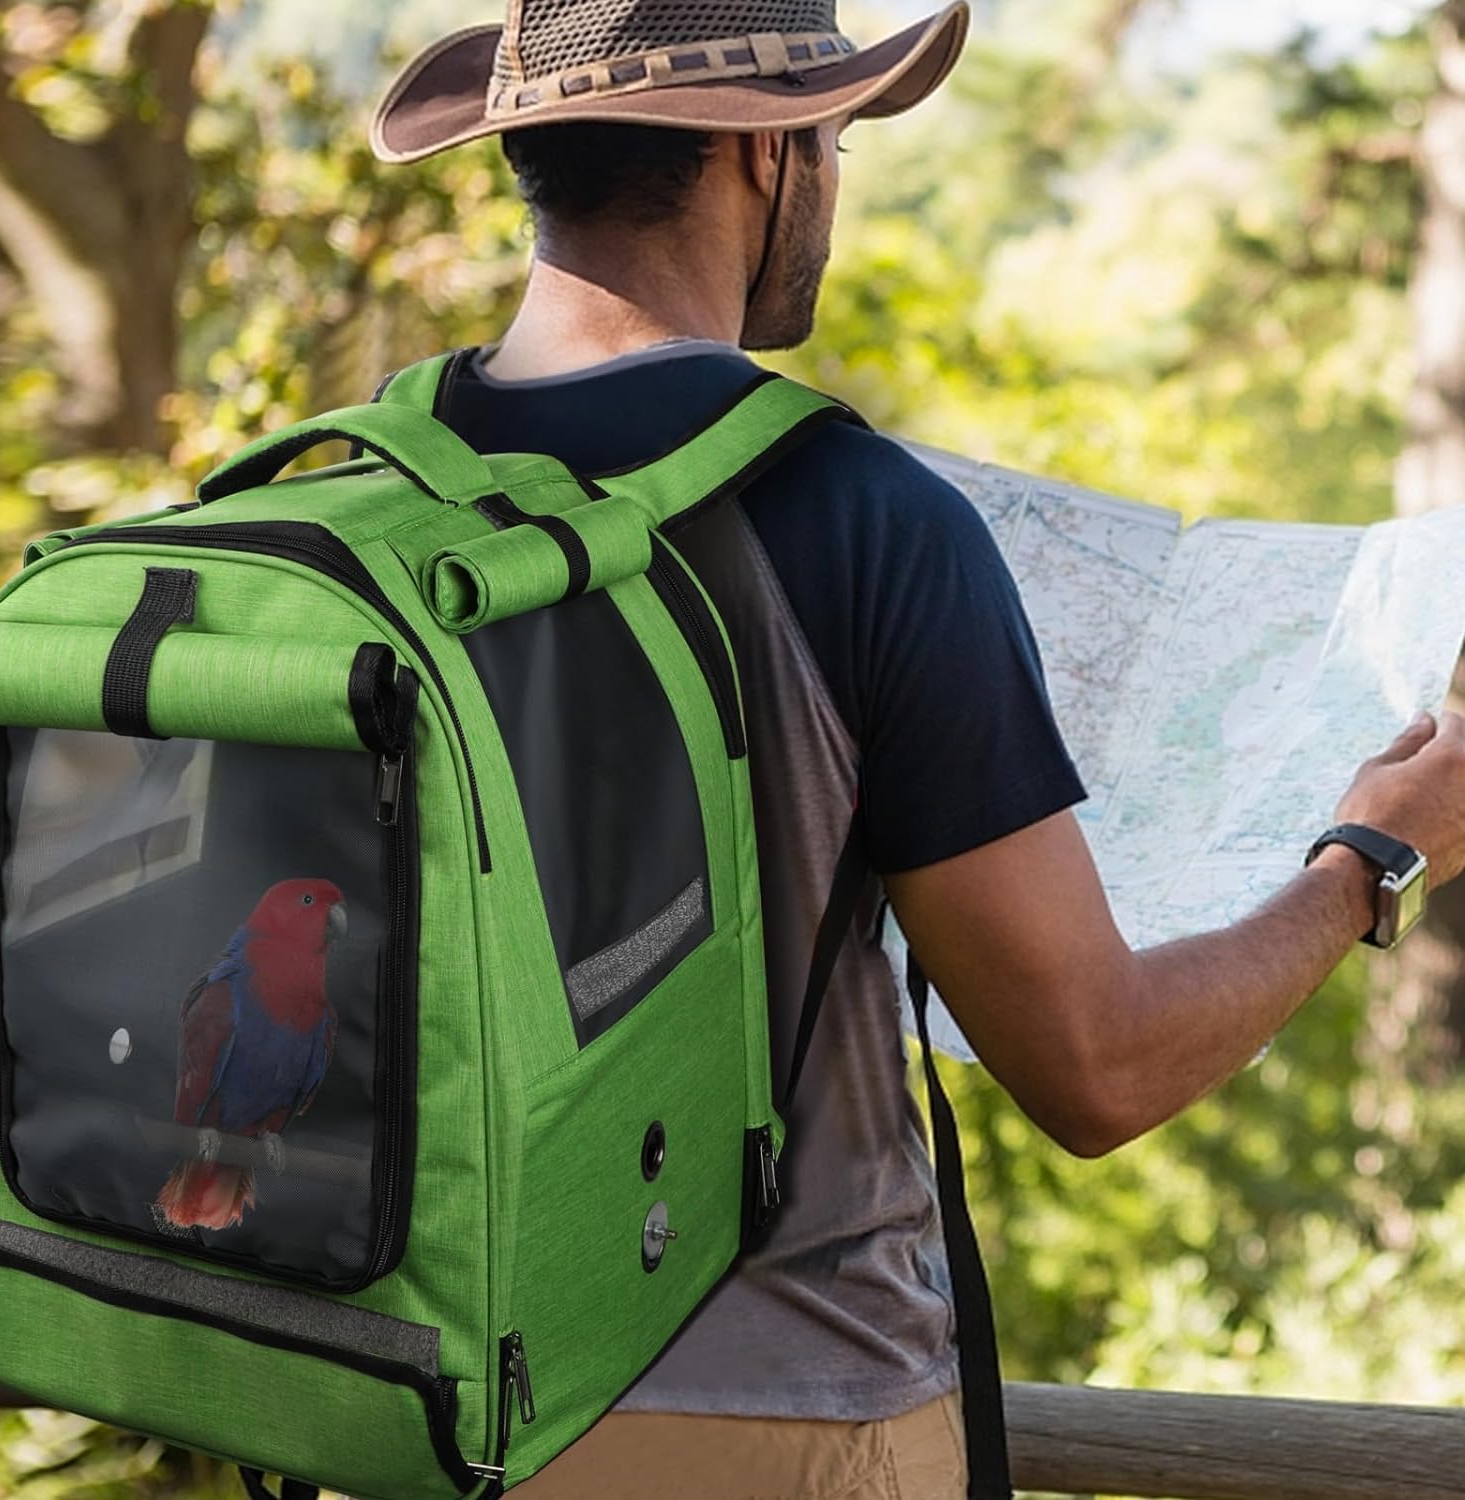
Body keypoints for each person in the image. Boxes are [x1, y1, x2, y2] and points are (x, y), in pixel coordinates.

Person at [369, 4, 1465, 1496]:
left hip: (428, 1407)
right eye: (829, 132)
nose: (833, 169)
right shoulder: (858, 517)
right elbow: (1098, 1069)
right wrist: (1372, 855)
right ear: (761, 148)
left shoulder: (381, 483)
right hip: (779, 1416)